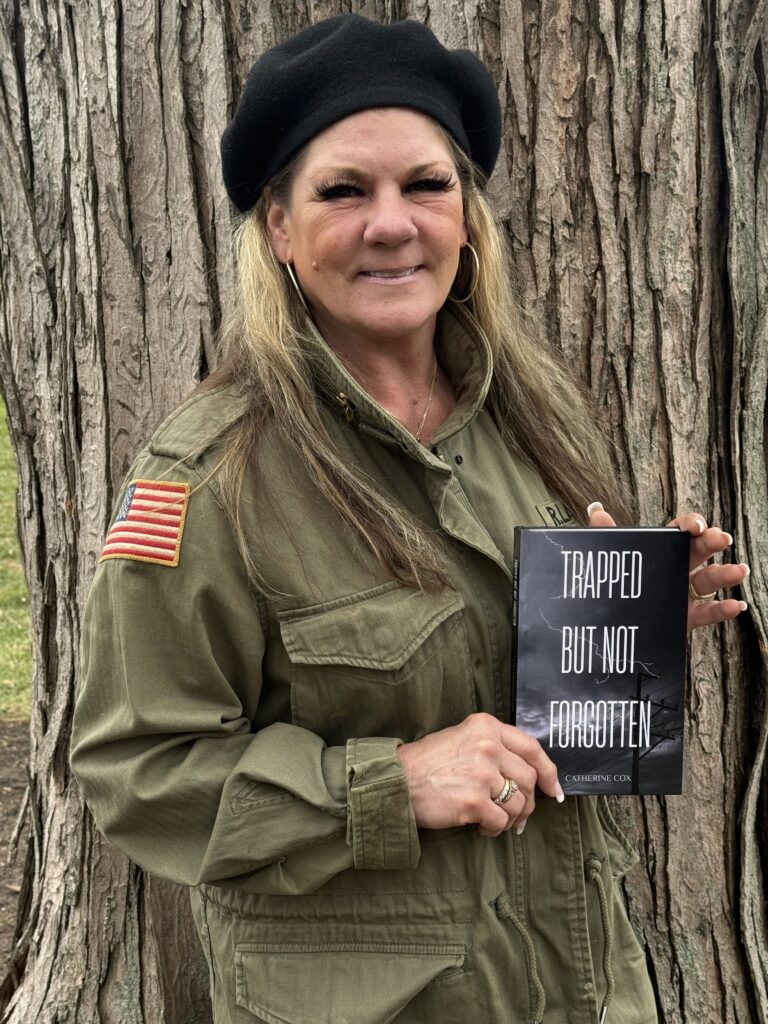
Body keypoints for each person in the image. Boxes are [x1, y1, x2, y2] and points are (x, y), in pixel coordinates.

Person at [70, 14, 749, 1024]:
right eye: (344, 191)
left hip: (581, 984)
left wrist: (618, 623)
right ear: (279, 228)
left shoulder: (529, 424)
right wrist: (392, 782)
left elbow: (512, 709)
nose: (391, 224)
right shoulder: (209, 479)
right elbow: (137, 773)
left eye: (425, 185)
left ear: (465, 216)